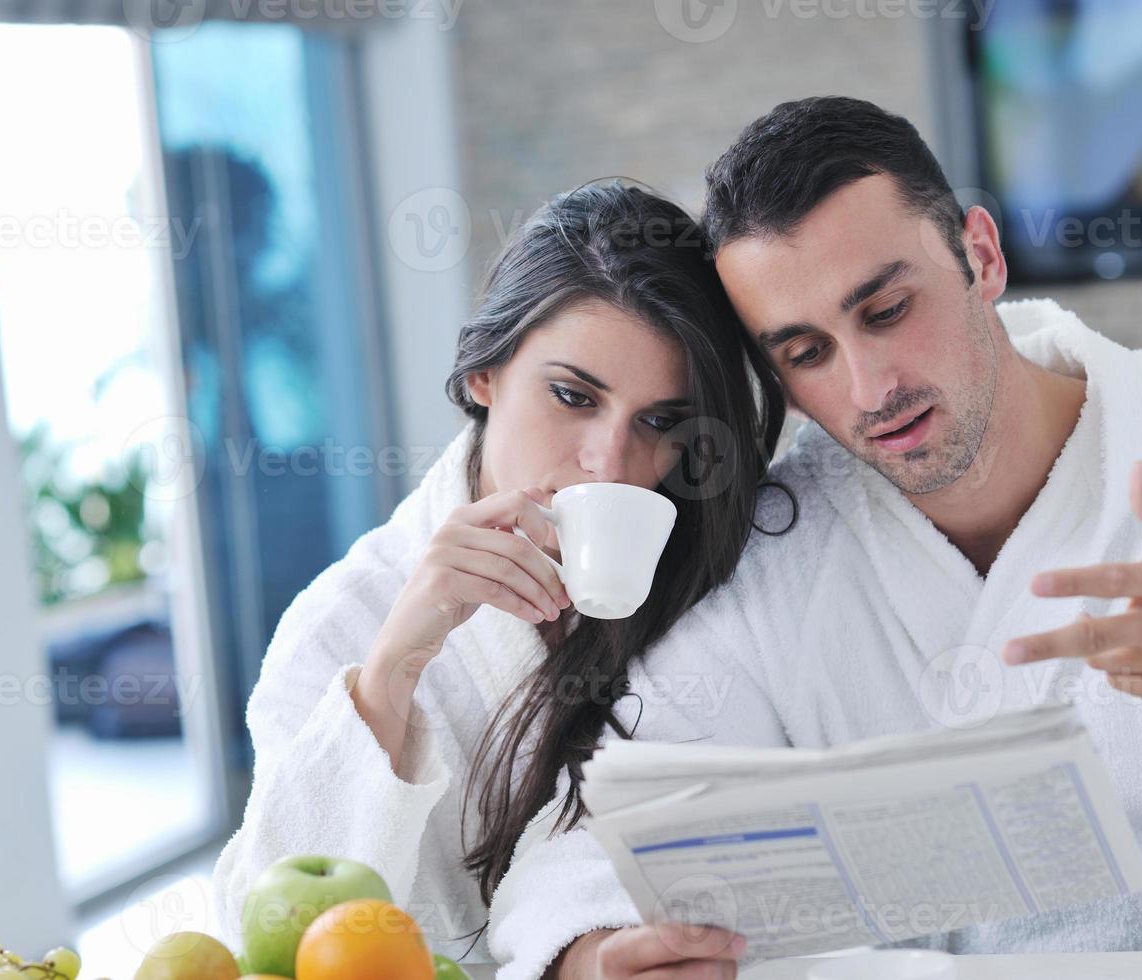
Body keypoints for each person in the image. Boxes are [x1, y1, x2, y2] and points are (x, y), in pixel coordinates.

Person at [502, 97, 1142, 980]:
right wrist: (594, 953)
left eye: (886, 310)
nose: (870, 385)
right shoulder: (782, 552)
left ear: (982, 256)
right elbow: (599, 830)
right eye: (806, 353)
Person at [209, 180, 787, 971]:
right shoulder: (347, 619)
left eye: (659, 423)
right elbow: (266, 933)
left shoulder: (716, 573)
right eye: (572, 396)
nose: (609, 464)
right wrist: (392, 673)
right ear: (485, 374)